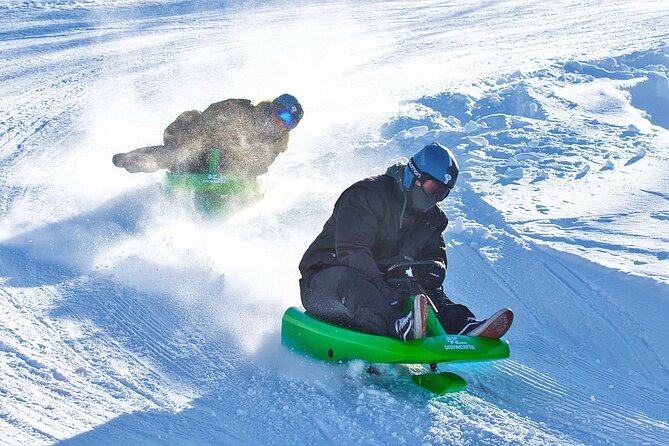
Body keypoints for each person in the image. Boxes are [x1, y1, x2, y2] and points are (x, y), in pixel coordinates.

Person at [298, 142, 513, 341]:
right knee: (353, 280)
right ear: (414, 176)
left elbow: (434, 254)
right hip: (325, 284)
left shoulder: (433, 219)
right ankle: (398, 326)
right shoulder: (365, 195)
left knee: (422, 287)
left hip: (383, 288)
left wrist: (434, 269)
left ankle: (461, 325)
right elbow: (352, 251)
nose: (435, 199)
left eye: (443, 193)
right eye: (432, 189)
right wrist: (387, 293)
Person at [112, 94, 304, 177]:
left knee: (200, 164)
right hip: (196, 141)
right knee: (183, 154)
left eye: (290, 123)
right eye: (283, 115)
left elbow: (259, 165)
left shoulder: (274, 145)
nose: (282, 123)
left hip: (219, 168)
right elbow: (210, 114)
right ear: (273, 107)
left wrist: (235, 167)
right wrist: (219, 131)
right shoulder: (244, 109)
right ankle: (135, 159)